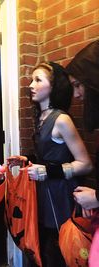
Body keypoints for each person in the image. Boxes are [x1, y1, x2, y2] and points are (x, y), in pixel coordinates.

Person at [8, 62, 92, 267]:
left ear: (53, 87)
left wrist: (49, 171)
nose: (31, 85)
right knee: (44, 248)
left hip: (60, 194)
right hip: (43, 193)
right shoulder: (41, 117)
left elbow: (86, 164)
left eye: (38, 80)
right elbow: (49, 156)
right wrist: (27, 161)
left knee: (59, 249)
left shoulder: (62, 119)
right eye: (31, 80)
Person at [65, 40, 99, 211]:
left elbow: (85, 164)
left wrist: (96, 198)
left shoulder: (62, 119)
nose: (76, 95)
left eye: (78, 85)